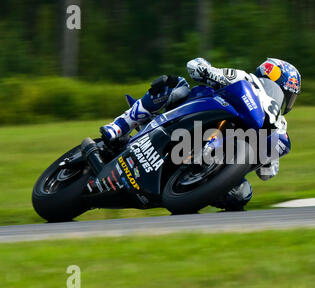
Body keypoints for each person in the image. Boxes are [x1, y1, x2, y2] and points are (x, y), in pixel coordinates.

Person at [100, 58, 301, 211]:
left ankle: (193, 189)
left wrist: (269, 157)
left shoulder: (277, 122)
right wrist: (206, 70)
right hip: (192, 115)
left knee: (242, 195)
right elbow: (196, 66)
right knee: (174, 85)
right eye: (285, 92)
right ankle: (119, 126)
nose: (283, 99)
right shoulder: (244, 78)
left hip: (220, 154)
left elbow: (267, 174)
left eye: (286, 96)